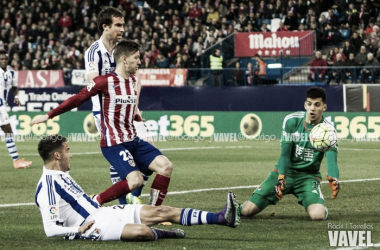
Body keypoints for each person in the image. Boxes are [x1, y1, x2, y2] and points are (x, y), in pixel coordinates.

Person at [31, 40, 172, 208]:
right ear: (124, 59)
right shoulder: (103, 82)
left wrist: (134, 115)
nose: (140, 62)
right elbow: (77, 99)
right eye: (136, 58)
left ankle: (154, 212)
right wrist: (49, 115)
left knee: (166, 166)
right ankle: (95, 201)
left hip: (133, 140)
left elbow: (125, 105)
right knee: (135, 181)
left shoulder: (133, 80)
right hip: (114, 143)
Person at [35, 135, 240, 241]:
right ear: (57, 155)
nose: (71, 154)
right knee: (142, 232)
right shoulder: (47, 188)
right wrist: (77, 230)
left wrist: (94, 199)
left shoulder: (62, 175)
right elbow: (50, 229)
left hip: (102, 212)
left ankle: (221, 218)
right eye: (68, 151)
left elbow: (73, 203)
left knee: (161, 211)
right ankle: (164, 233)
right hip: (90, 226)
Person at [240, 87, 340, 221]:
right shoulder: (291, 121)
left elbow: (332, 161)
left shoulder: (329, 131)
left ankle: (321, 207)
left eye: (317, 105)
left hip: (308, 178)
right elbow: (285, 155)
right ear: (305, 105)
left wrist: (334, 178)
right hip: (284, 172)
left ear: (324, 107)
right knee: (247, 211)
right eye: (309, 104)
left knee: (318, 215)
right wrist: (281, 177)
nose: (312, 108)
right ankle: (233, 208)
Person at [84, 7, 151, 205]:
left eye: (123, 25)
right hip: (105, 112)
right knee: (119, 153)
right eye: (118, 25)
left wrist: (134, 107)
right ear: (105, 27)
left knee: (150, 150)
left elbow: (136, 80)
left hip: (128, 109)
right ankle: (126, 204)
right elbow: (93, 82)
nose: (122, 29)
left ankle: (133, 197)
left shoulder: (122, 49)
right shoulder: (94, 52)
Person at [0, 50, 32, 169]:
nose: (3, 61)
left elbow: (14, 87)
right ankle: (16, 160)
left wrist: (16, 97)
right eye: (1, 59)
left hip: (2, 104)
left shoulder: (11, 73)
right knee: (8, 130)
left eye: (5, 59)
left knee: (8, 131)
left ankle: (16, 160)